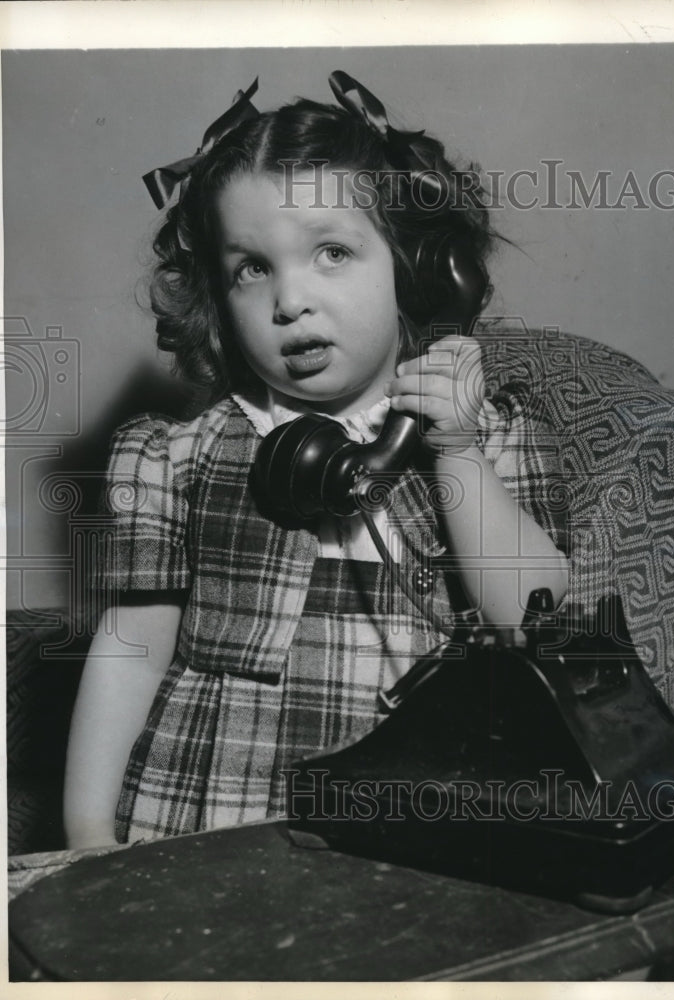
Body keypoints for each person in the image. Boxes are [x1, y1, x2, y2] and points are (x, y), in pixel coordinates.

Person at [63, 72, 569, 848]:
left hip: (411, 810)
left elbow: (542, 626)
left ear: (418, 269)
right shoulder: (176, 457)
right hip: (205, 810)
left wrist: (457, 454)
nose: (289, 299)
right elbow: (130, 654)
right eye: (252, 268)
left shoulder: (486, 437)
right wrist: (89, 835)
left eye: (332, 251)